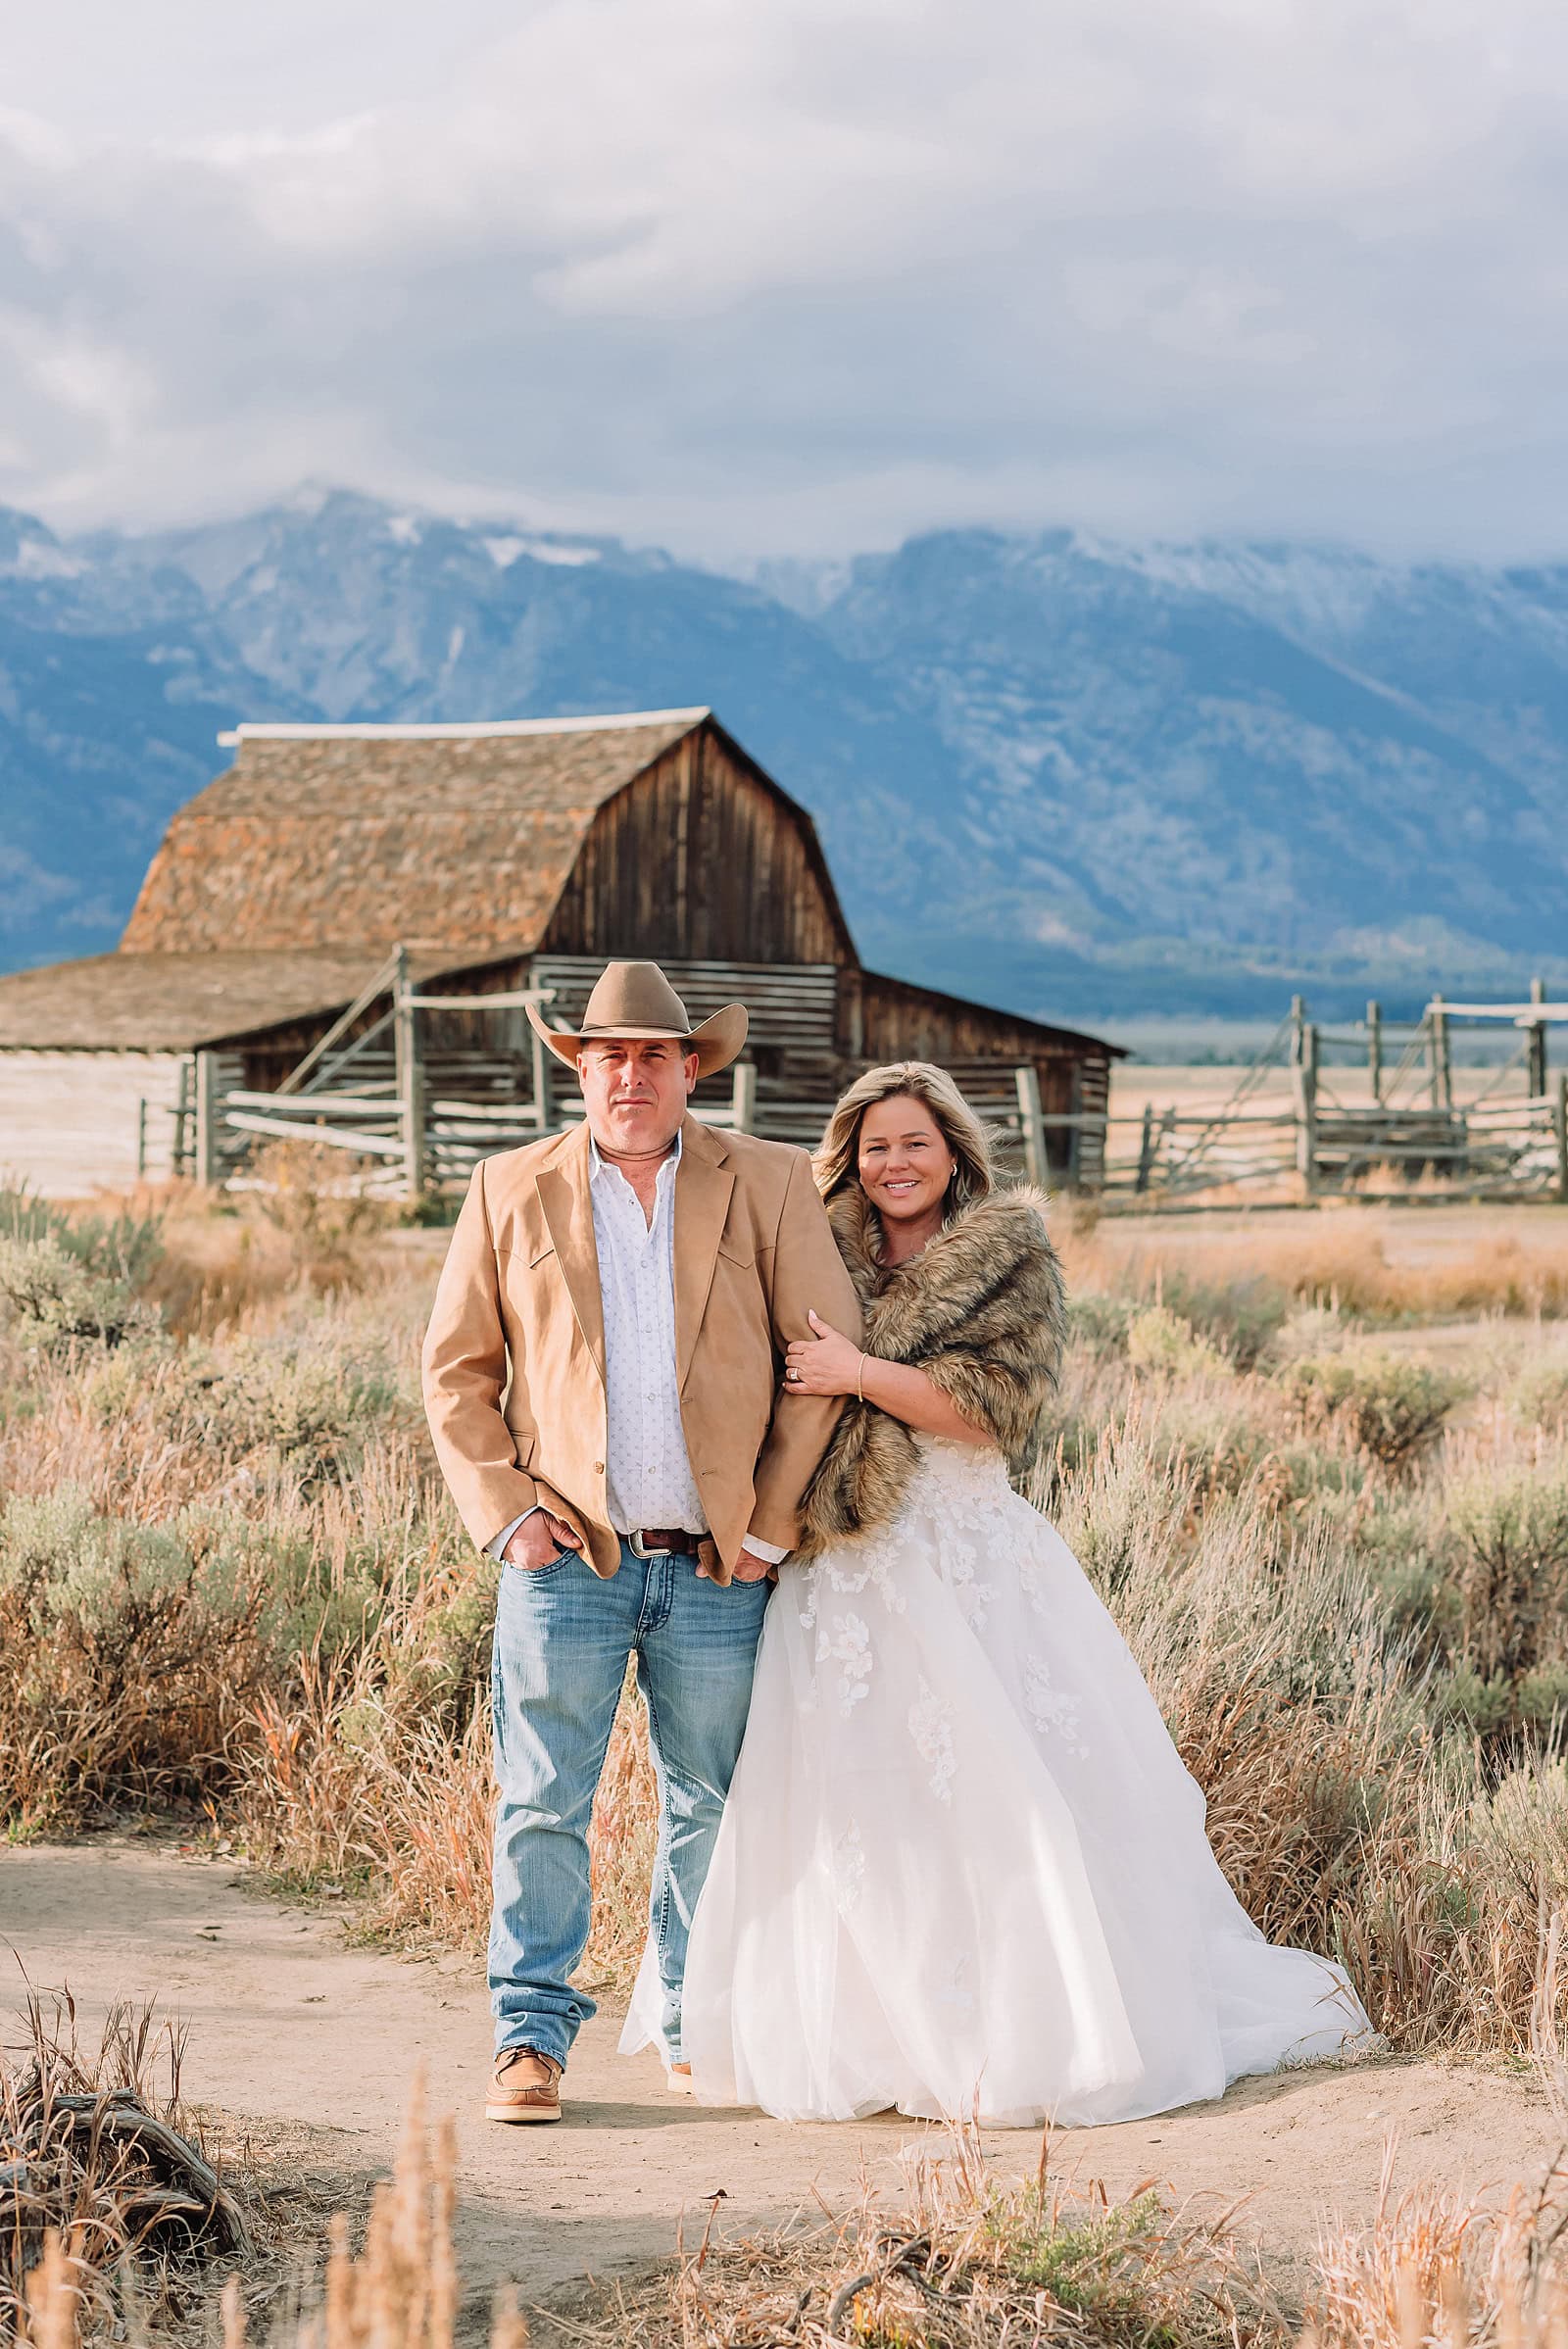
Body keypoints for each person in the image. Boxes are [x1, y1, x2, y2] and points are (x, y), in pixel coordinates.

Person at [626, 1060, 1371, 2125]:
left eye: (915, 1144)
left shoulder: (1007, 1257)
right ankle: (850, 2025)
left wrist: (858, 1373)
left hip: (960, 1551)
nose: (894, 1163)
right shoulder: (813, 1242)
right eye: (876, 1144)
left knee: (997, 1784)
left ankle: (1013, 2026)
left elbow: (990, 1415)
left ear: (953, 1152)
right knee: (853, 1795)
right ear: (851, 1154)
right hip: (837, 1557)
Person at [421, 960, 860, 2125]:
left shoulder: (763, 1180)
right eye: (609, 1055)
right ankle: (530, 2038)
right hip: (568, 1560)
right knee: (541, 1800)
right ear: (579, 1067)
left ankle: (687, 2014)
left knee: (712, 1799)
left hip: (717, 1565)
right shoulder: (508, 1187)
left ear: (689, 1070)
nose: (631, 1074)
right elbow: (456, 1375)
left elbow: (821, 1357)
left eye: (654, 1055)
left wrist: (769, 1526)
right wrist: (509, 1517)